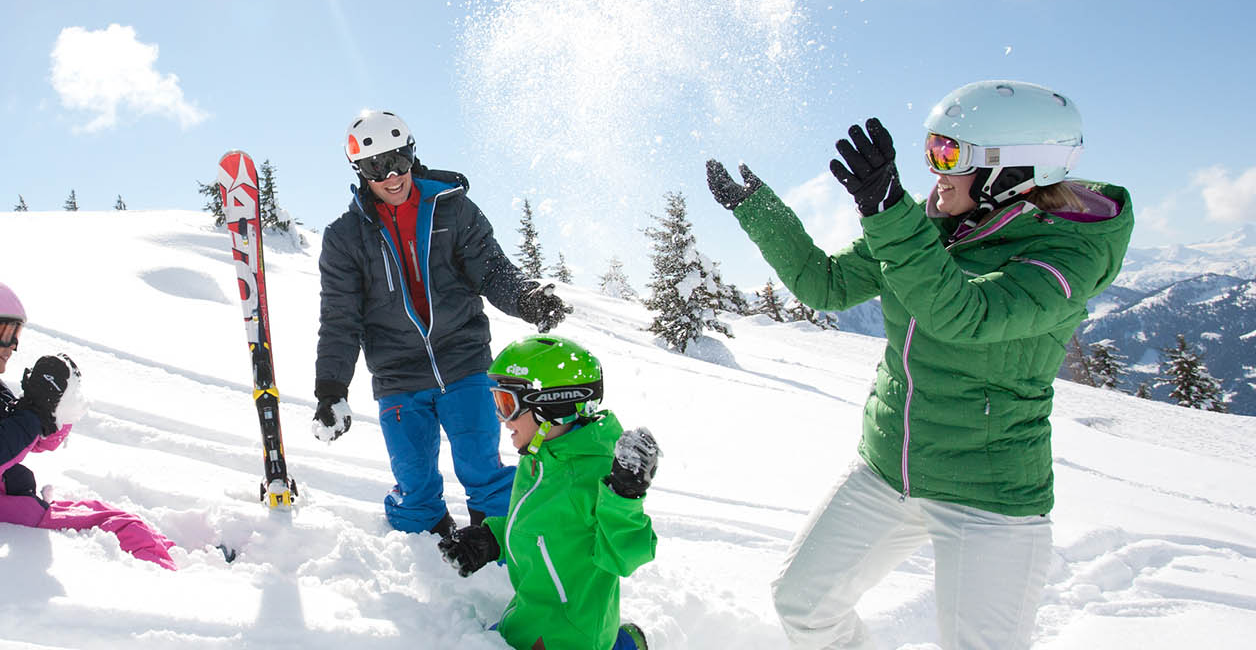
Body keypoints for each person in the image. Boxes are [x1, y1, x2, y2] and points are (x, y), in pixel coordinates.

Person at [704, 80, 1133, 649]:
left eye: (951, 156)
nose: (936, 170)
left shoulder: (1068, 254)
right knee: (804, 606)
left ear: (1011, 170)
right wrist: (756, 210)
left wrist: (889, 214)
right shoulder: (928, 225)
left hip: (990, 494)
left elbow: (965, 314)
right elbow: (824, 284)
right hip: (888, 471)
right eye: (933, 150)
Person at [313, 109, 573, 536]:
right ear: (360, 171)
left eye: (398, 160)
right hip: (397, 376)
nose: (391, 176)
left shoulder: (451, 209)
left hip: (464, 363)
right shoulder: (345, 238)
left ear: (412, 156)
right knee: (414, 490)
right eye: (377, 167)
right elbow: (340, 319)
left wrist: (526, 298)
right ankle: (430, 569)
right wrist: (331, 390)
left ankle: (505, 552)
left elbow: (490, 269)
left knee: (484, 471)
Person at [0, 277, 177, 569]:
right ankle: (172, 585)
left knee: (109, 515)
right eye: (4, 333)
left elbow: (19, 437)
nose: (13, 346)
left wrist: (53, 411)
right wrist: (31, 414)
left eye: (16, 334)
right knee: (118, 525)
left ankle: (179, 556)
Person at [438, 334, 659, 650]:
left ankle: (625, 644)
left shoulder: (596, 474)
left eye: (506, 404)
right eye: (496, 402)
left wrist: (625, 496)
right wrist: (490, 540)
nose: (501, 419)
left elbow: (625, 556)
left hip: (569, 639)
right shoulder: (539, 459)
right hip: (526, 620)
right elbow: (541, 527)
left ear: (551, 406)